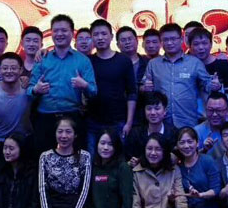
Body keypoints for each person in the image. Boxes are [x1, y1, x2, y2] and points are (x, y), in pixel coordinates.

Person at [28, 14, 97, 154]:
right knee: (44, 159)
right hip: (45, 118)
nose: (59, 34)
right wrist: (36, 89)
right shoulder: (42, 58)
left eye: (64, 30)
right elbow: (28, 91)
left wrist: (84, 85)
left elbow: (94, 91)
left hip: (73, 117)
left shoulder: (83, 60)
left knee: (75, 160)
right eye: (55, 30)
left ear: (72, 33)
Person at [142, 23, 211, 129]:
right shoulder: (153, 64)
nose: (170, 43)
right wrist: (144, 88)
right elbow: (144, 88)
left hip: (188, 120)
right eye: (165, 40)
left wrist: (215, 85)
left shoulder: (195, 62)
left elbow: (207, 87)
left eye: (173, 39)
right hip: (161, 123)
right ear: (161, 42)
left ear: (182, 39)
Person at [87, 19, 137, 152]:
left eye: (104, 34)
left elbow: (132, 93)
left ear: (111, 36)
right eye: (96, 34)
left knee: (119, 158)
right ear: (91, 38)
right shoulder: (88, 61)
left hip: (118, 121)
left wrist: (129, 122)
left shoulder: (124, 60)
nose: (100, 38)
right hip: (93, 122)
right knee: (92, 158)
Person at [188, 27, 228, 119]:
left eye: (204, 43)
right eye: (196, 44)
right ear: (190, 46)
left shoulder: (223, 64)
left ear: (211, 44)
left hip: (220, 119)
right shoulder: (186, 67)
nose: (201, 47)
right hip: (193, 119)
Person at [124, 91, 177, 165]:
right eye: (149, 109)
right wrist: (133, 162)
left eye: (157, 108)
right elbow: (128, 158)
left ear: (165, 111)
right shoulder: (135, 134)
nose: (152, 113)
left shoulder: (173, 133)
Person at [195, 92, 228, 160]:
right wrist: (204, 150)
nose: (214, 114)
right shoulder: (197, 132)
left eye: (219, 110)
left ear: (227, 111)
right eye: (210, 110)